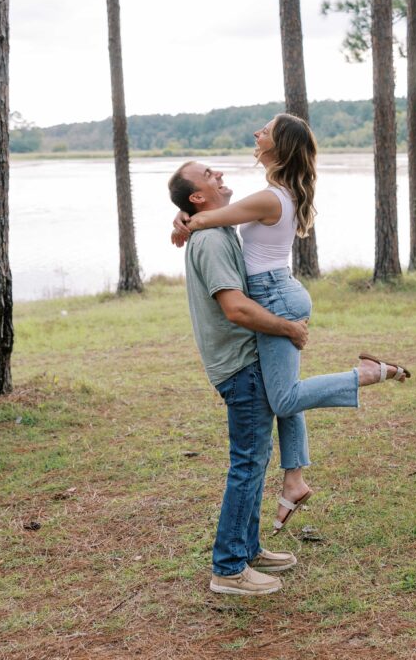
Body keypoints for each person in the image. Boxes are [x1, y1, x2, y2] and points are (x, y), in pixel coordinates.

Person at [171, 115, 411, 535]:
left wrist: (183, 224)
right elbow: (211, 215)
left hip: (274, 296)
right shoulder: (274, 194)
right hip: (276, 290)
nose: (256, 134)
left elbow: (207, 218)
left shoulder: (270, 198)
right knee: (280, 391)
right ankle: (295, 480)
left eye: (264, 130)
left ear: (278, 147)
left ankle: (369, 373)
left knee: (283, 399)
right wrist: (184, 219)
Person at [169, 159, 309, 595]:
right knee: (247, 464)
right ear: (197, 196)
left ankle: (247, 548)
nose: (220, 175)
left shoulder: (213, 225)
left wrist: (183, 218)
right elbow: (236, 308)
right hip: (239, 363)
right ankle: (228, 568)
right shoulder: (210, 239)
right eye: (209, 175)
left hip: (245, 359)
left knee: (255, 458)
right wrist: (289, 328)